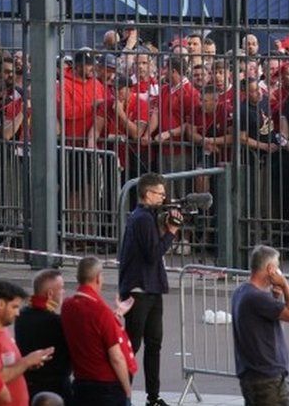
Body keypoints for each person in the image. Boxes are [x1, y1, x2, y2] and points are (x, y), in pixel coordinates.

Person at [117, 172, 180, 406]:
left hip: (151, 288)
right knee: (133, 345)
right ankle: (123, 395)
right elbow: (152, 254)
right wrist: (171, 233)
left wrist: (165, 229)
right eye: (160, 194)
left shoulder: (148, 217)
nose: (164, 199)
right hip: (138, 290)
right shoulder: (142, 218)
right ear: (148, 193)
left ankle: (153, 397)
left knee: (154, 344)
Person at [232, 245, 289, 406]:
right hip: (266, 377)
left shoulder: (241, 291)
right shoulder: (256, 297)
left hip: (254, 374)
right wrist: (285, 286)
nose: (279, 271)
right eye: (277, 267)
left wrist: (275, 297)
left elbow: (263, 319)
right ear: (270, 268)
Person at [61, 257, 138, 406]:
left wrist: (116, 315)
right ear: (97, 278)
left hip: (82, 383)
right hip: (107, 387)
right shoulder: (101, 312)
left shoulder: (68, 306)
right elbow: (117, 358)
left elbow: (90, 329)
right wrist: (127, 390)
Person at [0, 281, 54, 406]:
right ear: (0, 304)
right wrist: (26, 361)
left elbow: (10, 367)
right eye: (14, 307)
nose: (18, 313)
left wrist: (30, 363)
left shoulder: (3, 331)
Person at [14, 269, 72, 402]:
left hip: (29, 385)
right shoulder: (56, 322)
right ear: (50, 294)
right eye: (62, 288)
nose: (64, 292)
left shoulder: (22, 315)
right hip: (56, 389)